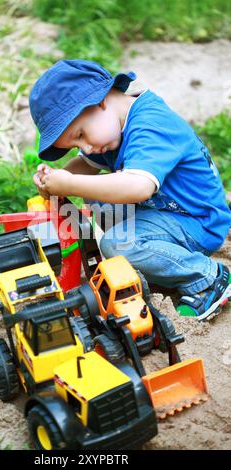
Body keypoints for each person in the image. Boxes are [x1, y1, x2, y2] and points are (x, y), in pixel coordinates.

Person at [29, 59, 231, 321]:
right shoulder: (111, 129)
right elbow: (85, 167)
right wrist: (57, 179)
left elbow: (138, 187)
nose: (86, 148)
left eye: (80, 134)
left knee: (118, 244)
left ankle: (206, 277)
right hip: (164, 214)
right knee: (98, 196)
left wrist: (68, 184)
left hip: (197, 222)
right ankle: (151, 261)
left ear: (99, 102)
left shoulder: (151, 124)